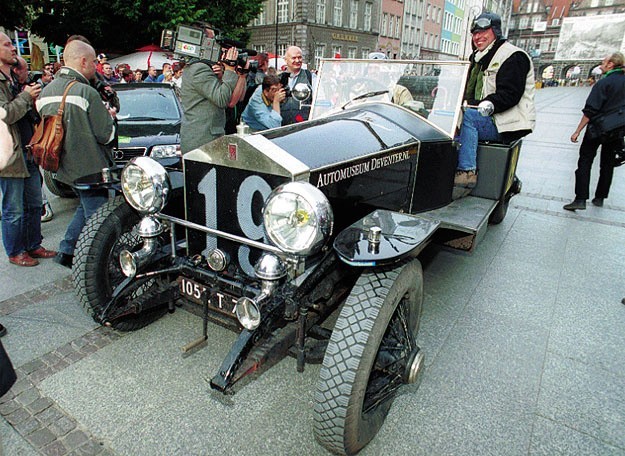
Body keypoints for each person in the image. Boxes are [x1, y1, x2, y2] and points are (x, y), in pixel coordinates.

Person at [36, 39, 116, 268]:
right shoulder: (85, 91)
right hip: (90, 167)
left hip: (62, 166)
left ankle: (67, 250)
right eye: (93, 62)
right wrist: (111, 118)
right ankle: (99, 263)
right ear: (82, 61)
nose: (95, 67)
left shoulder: (45, 91)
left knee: (85, 205)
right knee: (99, 218)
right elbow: (106, 135)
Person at [454, 12, 536, 197]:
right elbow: (467, 88)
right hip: (489, 116)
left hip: (508, 121)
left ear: (496, 32)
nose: (478, 37)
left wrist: (488, 103)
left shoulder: (513, 56)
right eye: (475, 33)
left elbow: (510, 94)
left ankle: (466, 173)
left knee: (468, 118)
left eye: (484, 32)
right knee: (450, 119)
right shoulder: (477, 57)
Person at [0, 33, 56, 267]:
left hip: (27, 150)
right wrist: (25, 96)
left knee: (34, 204)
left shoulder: (11, 78)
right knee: (13, 209)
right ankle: (15, 252)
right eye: (7, 44)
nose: (14, 48)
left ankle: (33, 244)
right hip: (10, 155)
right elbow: (7, 114)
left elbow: (24, 113)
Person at [563, 52, 625, 211]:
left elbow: (590, 109)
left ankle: (581, 199)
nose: (601, 64)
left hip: (597, 128)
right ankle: (600, 197)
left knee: (585, 160)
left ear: (611, 64)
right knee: (608, 163)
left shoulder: (604, 83)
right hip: (617, 129)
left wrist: (577, 130)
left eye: (604, 61)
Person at [180, 47, 247, 153]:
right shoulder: (199, 69)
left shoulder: (200, 67)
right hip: (202, 141)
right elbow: (222, 100)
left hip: (206, 139)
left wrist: (224, 76)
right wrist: (229, 70)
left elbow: (237, 98)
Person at [280, 46, 315, 125]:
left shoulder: (310, 76)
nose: (297, 60)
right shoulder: (279, 79)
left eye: (299, 57)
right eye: (294, 58)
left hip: (303, 124)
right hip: (282, 125)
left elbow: (318, 100)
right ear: (286, 60)